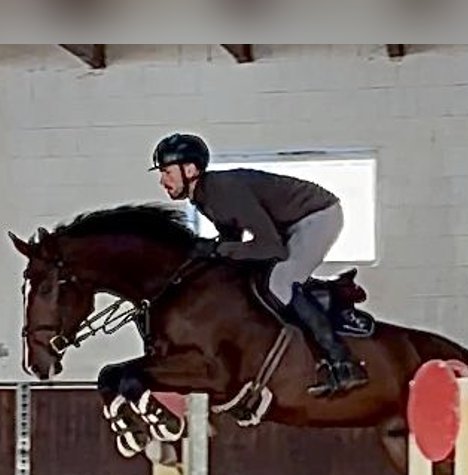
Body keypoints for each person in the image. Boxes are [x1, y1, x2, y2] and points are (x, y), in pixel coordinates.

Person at [150, 132, 369, 398]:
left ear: (190, 169)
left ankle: (342, 362)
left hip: (317, 216)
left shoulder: (222, 191)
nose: (163, 181)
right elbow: (233, 243)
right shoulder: (204, 198)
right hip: (290, 224)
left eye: (166, 172)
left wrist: (217, 249)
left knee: (281, 281)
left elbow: (269, 247)